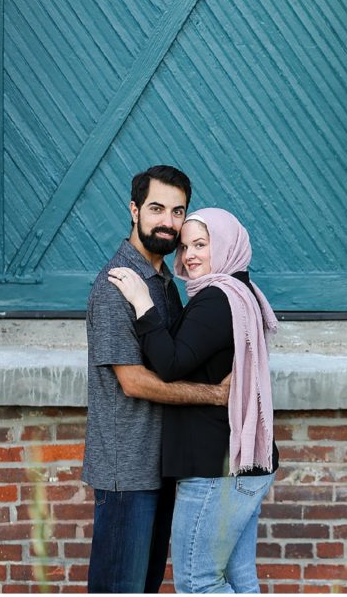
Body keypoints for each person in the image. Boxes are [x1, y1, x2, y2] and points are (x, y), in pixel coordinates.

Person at [108, 207, 280, 593]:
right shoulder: (241, 292)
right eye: (185, 247)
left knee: (197, 583)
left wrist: (142, 302)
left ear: (226, 246)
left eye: (200, 245)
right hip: (238, 465)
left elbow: (169, 364)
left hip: (214, 470)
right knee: (238, 580)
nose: (189, 257)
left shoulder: (218, 299)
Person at [82, 166, 232, 593]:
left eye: (177, 211)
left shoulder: (165, 282)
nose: (168, 221)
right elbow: (133, 382)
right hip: (126, 472)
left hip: (161, 466)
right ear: (134, 211)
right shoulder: (116, 286)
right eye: (156, 208)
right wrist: (214, 396)